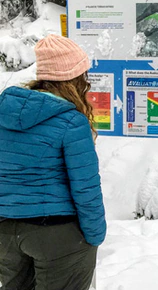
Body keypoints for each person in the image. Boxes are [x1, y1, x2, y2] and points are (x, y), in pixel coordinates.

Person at [0, 34, 106, 290]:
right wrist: (94, 237)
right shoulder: (72, 121)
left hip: (5, 231)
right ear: (74, 78)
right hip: (56, 234)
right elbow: (85, 187)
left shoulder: (5, 113)